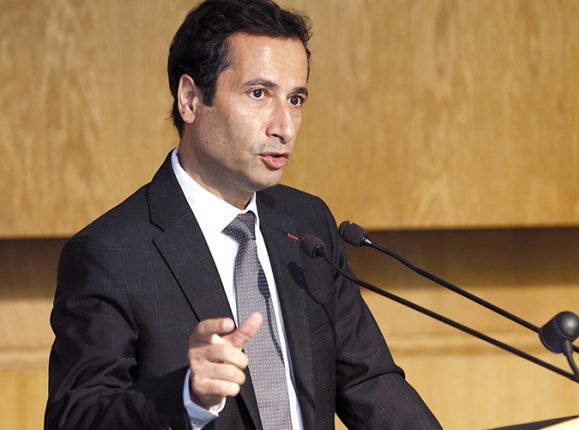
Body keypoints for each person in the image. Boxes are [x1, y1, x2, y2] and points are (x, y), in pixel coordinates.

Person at [44, 0, 441, 429]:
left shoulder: (307, 225)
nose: (285, 126)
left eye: (295, 99)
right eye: (259, 94)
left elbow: (370, 381)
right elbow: (75, 419)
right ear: (191, 99)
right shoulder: (111, 253)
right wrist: (186, 396)